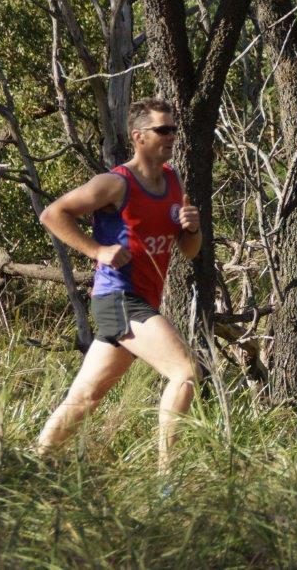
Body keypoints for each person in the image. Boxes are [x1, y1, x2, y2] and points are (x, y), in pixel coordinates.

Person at [35, 98, 200, 473]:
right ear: (139, 137)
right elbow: (52, 214)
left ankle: (35, 461)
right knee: (185, 372)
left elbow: (189, 251)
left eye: (173, 129)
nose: (171, 136)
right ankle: (167, 480)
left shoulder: (173, 182)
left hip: (142, 300)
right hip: (118, 298)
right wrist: (98, 250)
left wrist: (193, 228)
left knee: (85, 397)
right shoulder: (115, 183)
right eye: (163, 130)